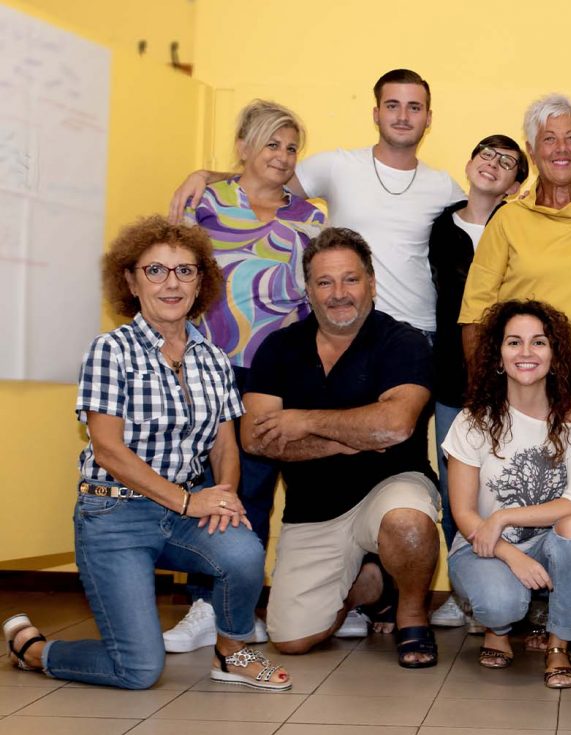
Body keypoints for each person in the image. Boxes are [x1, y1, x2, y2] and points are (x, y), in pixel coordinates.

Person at [2, 217, 290, 691]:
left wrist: (224, 495)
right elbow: (108, 449)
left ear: (200, 283)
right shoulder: (110, 351)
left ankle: (231, 652)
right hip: (113, 515)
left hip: (182, 513)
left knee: (243, 552)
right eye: (155, 270)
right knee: (139, 670)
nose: (171, 283)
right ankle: (35, 651)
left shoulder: (214, 359)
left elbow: (225, 442)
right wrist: (188, 500)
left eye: (185, 271)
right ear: (131, 282)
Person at [164, 99, 326, 653]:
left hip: (275, 371)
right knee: (205, 483)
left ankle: (235, 609)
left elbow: (313, 299)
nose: (282, 156)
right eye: (271, 144)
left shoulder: (310, 218)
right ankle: (202, 605)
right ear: (243, 147)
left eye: (291, 148)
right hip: (206, 366)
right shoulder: (205, 201)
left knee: (255, 485)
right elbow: (172, 277)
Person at [239, 227, 441, 667]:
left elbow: (395, 426)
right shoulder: (278, 347)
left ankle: (411, 614)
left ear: (371, 283)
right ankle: (368, 587)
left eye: (351, 279)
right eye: (325, 282)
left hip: (391, 485)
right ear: (308, 291)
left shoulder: (403, 342)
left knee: (408, 523)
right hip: (313, 506)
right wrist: (346, 441)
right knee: (291, 640)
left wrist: (305, 421)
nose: (339, 294)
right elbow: (255, 438)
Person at [169, 69, 464, 335]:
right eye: (392, 105)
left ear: (428, 118)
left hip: (417, 327)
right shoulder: (336, 166)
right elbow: (267, 178)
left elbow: (480, 225)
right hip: (350, 324)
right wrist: (206, 176)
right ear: (376, 114)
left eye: (414, 107)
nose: (403, 116)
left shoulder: (442, 185)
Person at [444, 300, 571, 688]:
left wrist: (504, 516)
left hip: (548, 541)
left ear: (555, 355)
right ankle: (497, 628)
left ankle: (559, 644)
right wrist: (510, 552)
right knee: (502, 605)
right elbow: (463, 513)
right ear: (498, 356)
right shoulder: (473, 420)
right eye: (514, 342)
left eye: (538, 342)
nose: (526, 352)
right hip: (482, 545)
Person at [459, 93, 571, 422]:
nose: (562, 149)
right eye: (549, 139)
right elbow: (475, 311)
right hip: (521, 369)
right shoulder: (507, 220)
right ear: (531, 151)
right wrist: (484, 389)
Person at [427, 136, 529, 629]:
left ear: (516, 185)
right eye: (486, 153)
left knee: (506, 485)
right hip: (452, 376)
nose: (493, 163)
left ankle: (505, 586)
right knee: (457, 491)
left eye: (507, 161)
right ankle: (461, 589)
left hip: (512, 379)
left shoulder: (520, 225)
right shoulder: (439, 226)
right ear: (468, 163)